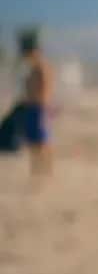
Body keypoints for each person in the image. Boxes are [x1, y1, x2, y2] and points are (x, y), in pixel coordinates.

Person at [3, 29, 55, 178]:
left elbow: (44, 90)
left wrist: (38, 105)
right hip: (33, 108)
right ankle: (38, 172)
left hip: (39, 108)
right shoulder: (34, 68)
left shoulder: (42, 67)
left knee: (42, 142)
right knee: (34, 143)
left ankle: (45, 173)